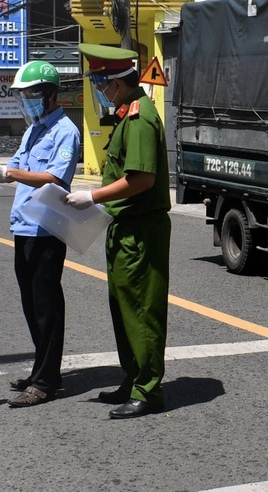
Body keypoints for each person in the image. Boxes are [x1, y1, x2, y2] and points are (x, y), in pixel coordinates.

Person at [0, 61, 81, 407]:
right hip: (24, 225)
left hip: (47, 227)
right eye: (22, 95)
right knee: (30, 304)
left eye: (30, 94)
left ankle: (46, 381)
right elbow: (15, 168)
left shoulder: (64, 131)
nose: (25, 100)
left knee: (47, 306)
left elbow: (55, 178)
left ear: (49, 94)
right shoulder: (33, 130)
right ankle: (41, 370)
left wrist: (9, 172)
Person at [64, 43, 171, 419]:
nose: (97, 89)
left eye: (98, 81)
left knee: (142, 309)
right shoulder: (126, 115)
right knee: (124, 308)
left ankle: (148, 390)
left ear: (115, 83)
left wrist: (91, 196)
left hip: (141, 229)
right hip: (125, 229)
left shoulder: (140, 118)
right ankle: (133, 378)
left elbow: (141, 179)